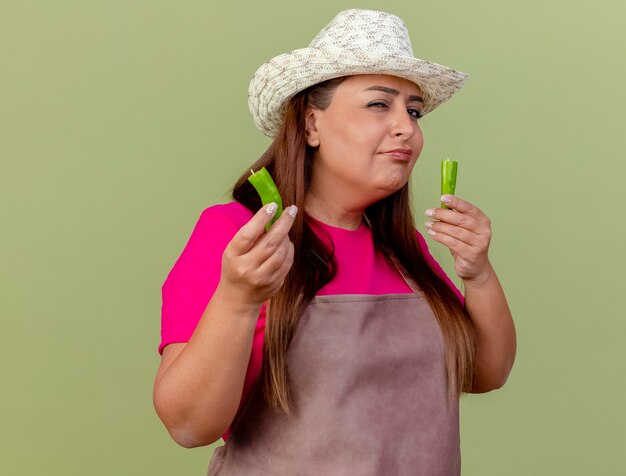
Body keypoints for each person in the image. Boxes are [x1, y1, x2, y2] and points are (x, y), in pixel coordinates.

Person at [153, 8, 516, 475]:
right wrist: (239, 298)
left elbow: (486, 373)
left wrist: (479, 274)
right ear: (310, 126)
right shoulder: (235, 235)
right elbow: (188, 426)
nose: (406, 126)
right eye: (379, 104)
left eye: (414, 110)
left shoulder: (403, 250)